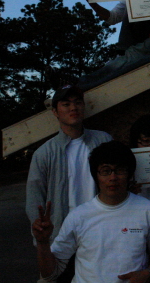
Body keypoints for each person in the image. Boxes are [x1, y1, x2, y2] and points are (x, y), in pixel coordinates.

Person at [32, 141, 150, 283]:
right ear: (95, 175)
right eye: (105, 171)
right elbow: (50, 273)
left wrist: (148, 273)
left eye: (120, 170)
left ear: (130, 173)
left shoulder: (148, 210)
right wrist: (43, 242)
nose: (113, 177)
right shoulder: (78, 216)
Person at [26, 85, 112, 282]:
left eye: (78, 102)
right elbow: (34, 199)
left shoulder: (103, 140)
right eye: (66, 104)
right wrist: (42, 238)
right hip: (62, 237)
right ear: (55, 112)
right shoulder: (44, 154)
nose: (73, 108)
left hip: (100, 231)